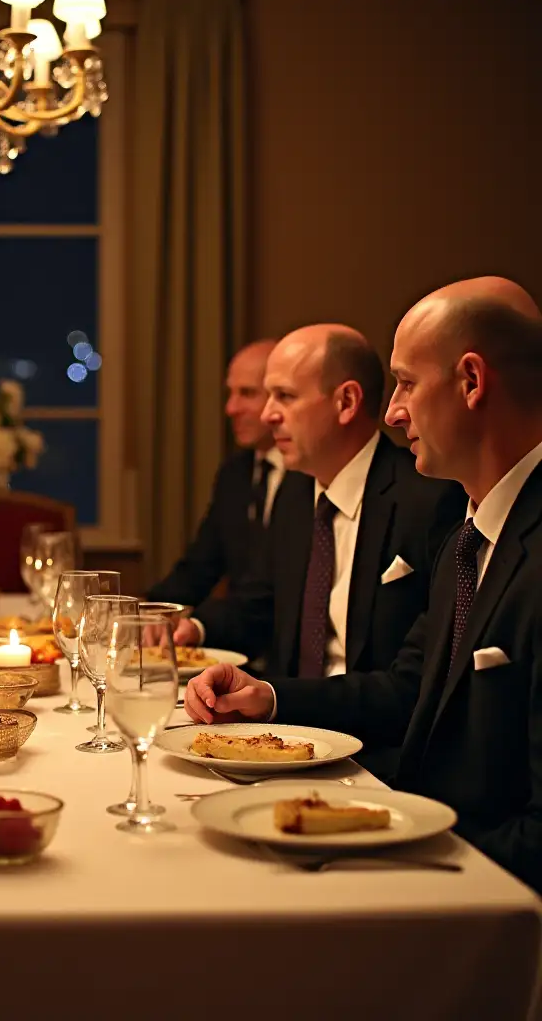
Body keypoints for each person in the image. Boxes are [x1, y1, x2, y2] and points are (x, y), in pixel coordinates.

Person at [185, 277, 542, 893]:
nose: (394, 411)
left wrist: (397, 856)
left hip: (475, 891)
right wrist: (267, 697)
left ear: (472, 382)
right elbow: (411, 693)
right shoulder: (470, 533)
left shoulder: (468, 523)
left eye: (405, 382)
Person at [180, 326, 465, 685]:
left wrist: (275, 699)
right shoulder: (296, 490)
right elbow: (261, 604)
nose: (268, 415)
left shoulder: (428, 499)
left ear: (346, 402)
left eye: (284, 396)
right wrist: (193, 627)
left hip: (372, 729)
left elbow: (416, 679)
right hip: (286, 727)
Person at [147, 339, 287, 607]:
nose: (231, 408)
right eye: (230, 394)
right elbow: (199, 567)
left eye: (247, 393)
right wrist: (141, 610)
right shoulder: (235, 473)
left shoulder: (314, 474)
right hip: (235, 633)